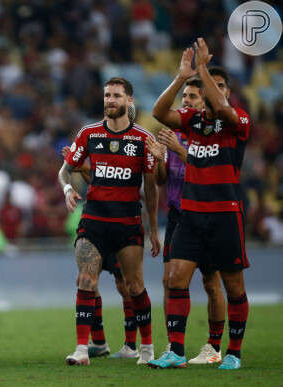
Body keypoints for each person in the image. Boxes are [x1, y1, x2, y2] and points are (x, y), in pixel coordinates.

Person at [148, 38, 250, 370]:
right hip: (190, 216)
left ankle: (231, 352)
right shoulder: (193, 122)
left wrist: (203, 68)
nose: (212, 91)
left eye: (219, 87)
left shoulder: (238, 121)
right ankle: (176, 351)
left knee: (232, 286)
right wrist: (181, 77)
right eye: (209, 85)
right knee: (175, 279)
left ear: (227, 91)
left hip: (224, 215)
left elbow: (220, 108)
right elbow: (159, 113)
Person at [58, 77, 160, 366]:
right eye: (107, 95)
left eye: (116, 95)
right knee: (86, 280)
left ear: (129, 100)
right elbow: (65, 170)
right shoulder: (89, 133)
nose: (110, 100)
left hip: (128, 222)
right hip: (94, 220)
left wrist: (152, 229)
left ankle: (147, 347)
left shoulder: (142, 139)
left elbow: (151, 188)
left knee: (134, 286)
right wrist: (67, 188)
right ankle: (82, 348)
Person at [146, 77, 226, 364]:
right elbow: (161, 180)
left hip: (207, 214)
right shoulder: (172, 134)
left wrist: (178, 151)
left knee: (210, 282)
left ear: (204, 102)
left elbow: (207, 171)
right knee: (170, 280)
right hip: (179, 216)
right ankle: (174, 345)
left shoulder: (207, 135)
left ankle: (214, 348)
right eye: (185, 97)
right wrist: (159, 159)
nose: (187, 101)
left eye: (193, 96)